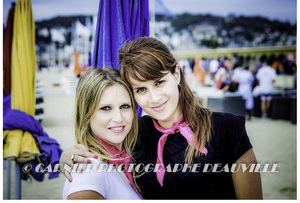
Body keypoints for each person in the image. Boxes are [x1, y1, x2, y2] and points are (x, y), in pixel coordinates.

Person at [60, 37, 262, 199]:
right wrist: (68, 154)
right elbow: (100, 148)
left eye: (159, 82)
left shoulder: (227, 128)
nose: (154, 98)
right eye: (141, 89)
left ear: (177, 74)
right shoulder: (135, 132)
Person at [62, 68, 142, 199]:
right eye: (105, 108)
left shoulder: (121, 159)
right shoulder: (89, 174)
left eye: (125, 106)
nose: (119, 118)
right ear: (86, 114)